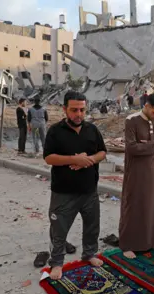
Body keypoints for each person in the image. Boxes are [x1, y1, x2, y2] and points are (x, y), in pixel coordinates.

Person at [43, 90, 107, 280]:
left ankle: (89, 254)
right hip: (63, 192)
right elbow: (49, 158)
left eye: (82, 110)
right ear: (64, 109)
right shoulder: (55, 131)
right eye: (74, 110)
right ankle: (56, 263)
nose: (78, 114)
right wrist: (73, 159)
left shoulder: (92, 130)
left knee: (91, 227)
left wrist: (89, 160)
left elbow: (102, 152)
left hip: (89, 191)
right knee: (59, 230)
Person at [119, 93, 154, 259]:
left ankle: (151, 240)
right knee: (134, 206)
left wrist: (151, 145)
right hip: (136, 172)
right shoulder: (131, 120)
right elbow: (132, 148)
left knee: (153, 205)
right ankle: (128, 244)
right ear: (147, 106)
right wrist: (152, 144)